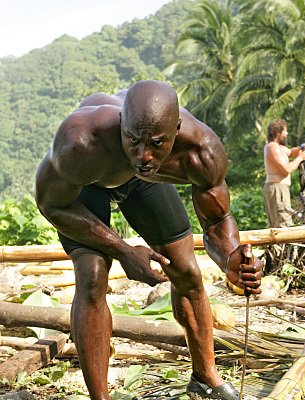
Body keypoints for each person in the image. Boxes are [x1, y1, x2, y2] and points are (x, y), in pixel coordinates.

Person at [35, 80, 263, 400]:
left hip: (144, 185)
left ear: (177, 131)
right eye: (133, 140)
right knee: (93, 277)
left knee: (186, 270)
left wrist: (230, 258)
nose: (143, 155)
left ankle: (205, 377)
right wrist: (124, 250)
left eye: (157, 143)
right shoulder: (81, 141)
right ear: (121, 125)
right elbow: (51, 204)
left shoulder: (201, 151)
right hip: (86, 187)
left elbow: (217, 220)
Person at [263, 118, 305, 228]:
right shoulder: (272, 147)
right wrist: (300, 158)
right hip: (277, 188)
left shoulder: (279, 148)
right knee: (283, 223)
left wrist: (303, 147)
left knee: (279, 222)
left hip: (280, 188)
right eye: (285, 131)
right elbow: (286, 170)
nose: (287, 133)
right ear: (278, 133)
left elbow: (291, 152)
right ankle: (285, 245)